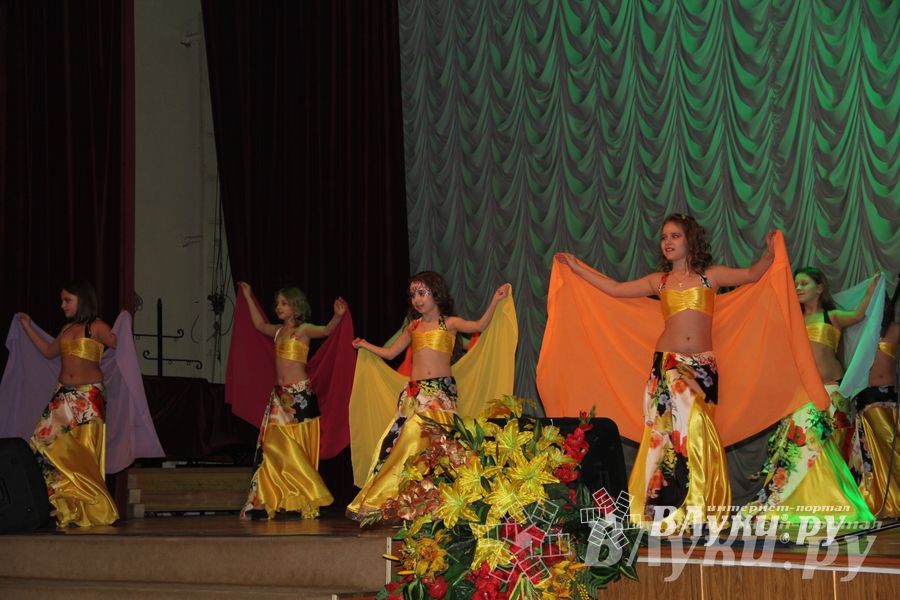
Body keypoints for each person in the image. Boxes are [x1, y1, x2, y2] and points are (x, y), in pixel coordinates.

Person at [556, 214, 775, 530]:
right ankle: (673, 508)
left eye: (675, 236)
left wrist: (770, 251)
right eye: (664, 237)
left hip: (703, 368)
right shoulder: (659, 282)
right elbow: (616, 289)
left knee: (689, 433)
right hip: (668, 364)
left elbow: (755, 273)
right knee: (674, 432)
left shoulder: (709, 278)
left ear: (690, 241)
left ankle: (691, 505)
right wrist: (577, 267)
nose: (668, 242)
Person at [346, 272, 510, 522]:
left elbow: (478, 326)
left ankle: (457, 501)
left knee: (434, 447)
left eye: (422, 293)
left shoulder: (450, 323)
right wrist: (364, 344)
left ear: (436, 294)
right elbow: (390, 353)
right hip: (414, 394)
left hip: (440, 396)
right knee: (400, 445)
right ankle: (386, 501)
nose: (417, 299)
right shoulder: (413, 327)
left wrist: (495, 300)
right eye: (413, 295)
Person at [238, 282, 347, 519]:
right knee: (273, 448)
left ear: (296, 307)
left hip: (300, 397)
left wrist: (337, 316)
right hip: (280, 396)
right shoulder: (278, 331)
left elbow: (327, 330)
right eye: (277, 303)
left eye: (284, 303)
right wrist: (248, 295)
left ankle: (301, 499)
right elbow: (258, 324)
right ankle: (267, 500)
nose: (279, 307)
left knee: (296, 448)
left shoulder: (304, 330)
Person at [16, 280, 120, 527]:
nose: (62, 305)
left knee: (82, 453)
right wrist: (27, 326)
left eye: (67, 300)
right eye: (62, 300)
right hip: (63, 395)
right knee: (40, 444)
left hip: (87, 398)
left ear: (82, 300)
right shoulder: (66, 329)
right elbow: (48, 352)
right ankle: (67, 503)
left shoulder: (97, 327)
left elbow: (122, 348)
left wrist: (124, 328)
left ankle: (91, 506)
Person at [795, 267, 879, 453]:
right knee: (805, 450)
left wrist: (871, 290)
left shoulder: (831, 316)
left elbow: (858, 315)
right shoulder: (795, 320)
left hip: (831, 390)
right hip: (805, 393)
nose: (798, 288)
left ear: (819, 288)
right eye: (795, 285)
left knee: (832, 446)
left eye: (803, 283)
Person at [854, 289, 900, 516]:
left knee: (892, 449)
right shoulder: (861, 331)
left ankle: (895, 496)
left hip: (889, 399)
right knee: (870, 454)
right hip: (866, 398)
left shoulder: (896, 330)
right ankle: (878, 497)